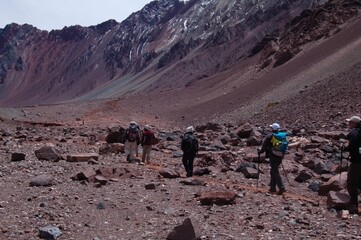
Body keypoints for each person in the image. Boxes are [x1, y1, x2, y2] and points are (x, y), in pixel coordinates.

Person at [258, 123, 286, 195]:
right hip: (280, 155)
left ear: (272, 129)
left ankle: (281, 187)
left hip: (273, 155)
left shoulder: (270, 136)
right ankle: (272, 187)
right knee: (273, 170)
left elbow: (264, 146)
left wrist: (260, 152)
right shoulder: (282, 136)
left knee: (275, 171)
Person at [343, 115, 361, 214]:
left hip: (357, 162)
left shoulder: (354, 132)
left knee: (351, 182)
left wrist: (346, 147)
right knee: (359, 182)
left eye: (350, 122)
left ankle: (353, 205)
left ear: (354, 123)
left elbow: (352, 146)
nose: (348, 124)